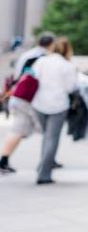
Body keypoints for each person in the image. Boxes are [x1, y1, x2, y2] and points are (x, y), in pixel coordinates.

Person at [0, 33, 54, 175]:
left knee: (20, 130)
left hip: (20, 96)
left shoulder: (29, 54)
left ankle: (4, 160)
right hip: (26, 98)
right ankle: (3, 161)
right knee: (19, 130)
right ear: (51, 44)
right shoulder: (41, 57)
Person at [30, 37, 79, 185]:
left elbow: (33, 77)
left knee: (46, 136)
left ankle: (42, 165)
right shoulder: (67, 65)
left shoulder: (41, 61)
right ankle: (44, 174)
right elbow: (70, 87)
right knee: (52, 138)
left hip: (39, 103)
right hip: (58, 105)